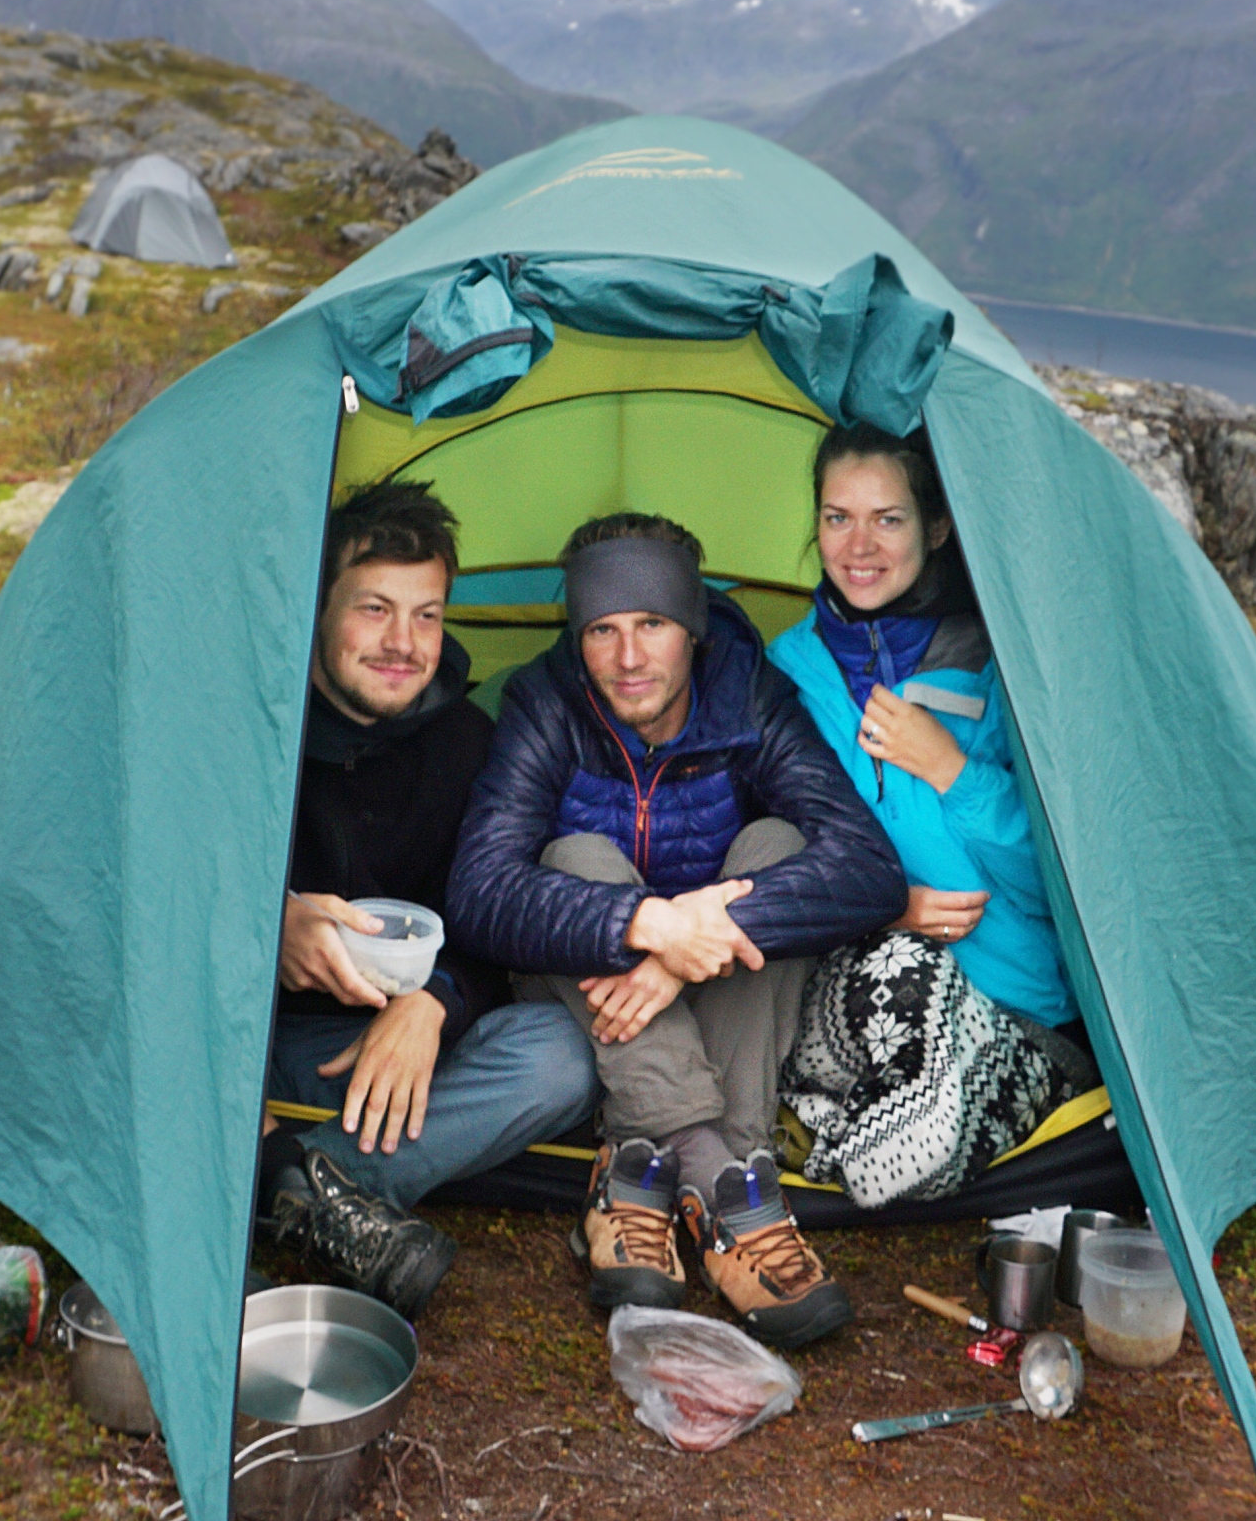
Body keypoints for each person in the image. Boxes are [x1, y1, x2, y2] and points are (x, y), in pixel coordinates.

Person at [448, 512, 902, 1349]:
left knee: (777, 851)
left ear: (691, 628)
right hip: (585, 975)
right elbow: (478, 891)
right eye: (602, 630)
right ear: (576, 637)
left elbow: (868, 869)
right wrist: (642, 922)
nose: (628, 658)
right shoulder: (546, 704)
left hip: (694, 984)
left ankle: (635, 1172)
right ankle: (732, 1189)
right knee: (578, 854)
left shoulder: (751, 700)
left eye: (652, 624)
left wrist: (692, 942)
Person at [255, 478, 601, 1316]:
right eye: (374, 609)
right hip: (261, 1053)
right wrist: (270, 926)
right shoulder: (256, 727)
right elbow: (169, 910)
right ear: (316, 606)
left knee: (564, 1052)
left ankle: (284, 1185)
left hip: (405, 1062)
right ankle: (295, 1182)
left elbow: (496, 918)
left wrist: (436, 1004)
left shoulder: (468, 744)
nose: (403, 643)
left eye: (426, 614)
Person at [762, 425, 1093, 1207]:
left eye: (888, 517)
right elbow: (773, 852)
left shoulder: (999, 659)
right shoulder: (786, 669)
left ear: (936, 526)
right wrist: (890, 910)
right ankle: (874, 1118)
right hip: (863, 985)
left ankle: (826, 1130)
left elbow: (1068, 876)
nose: (858, 544)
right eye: (837, 516)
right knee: (903, 974)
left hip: (1017, 1003)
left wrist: (950, 768)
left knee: (917, 1147)